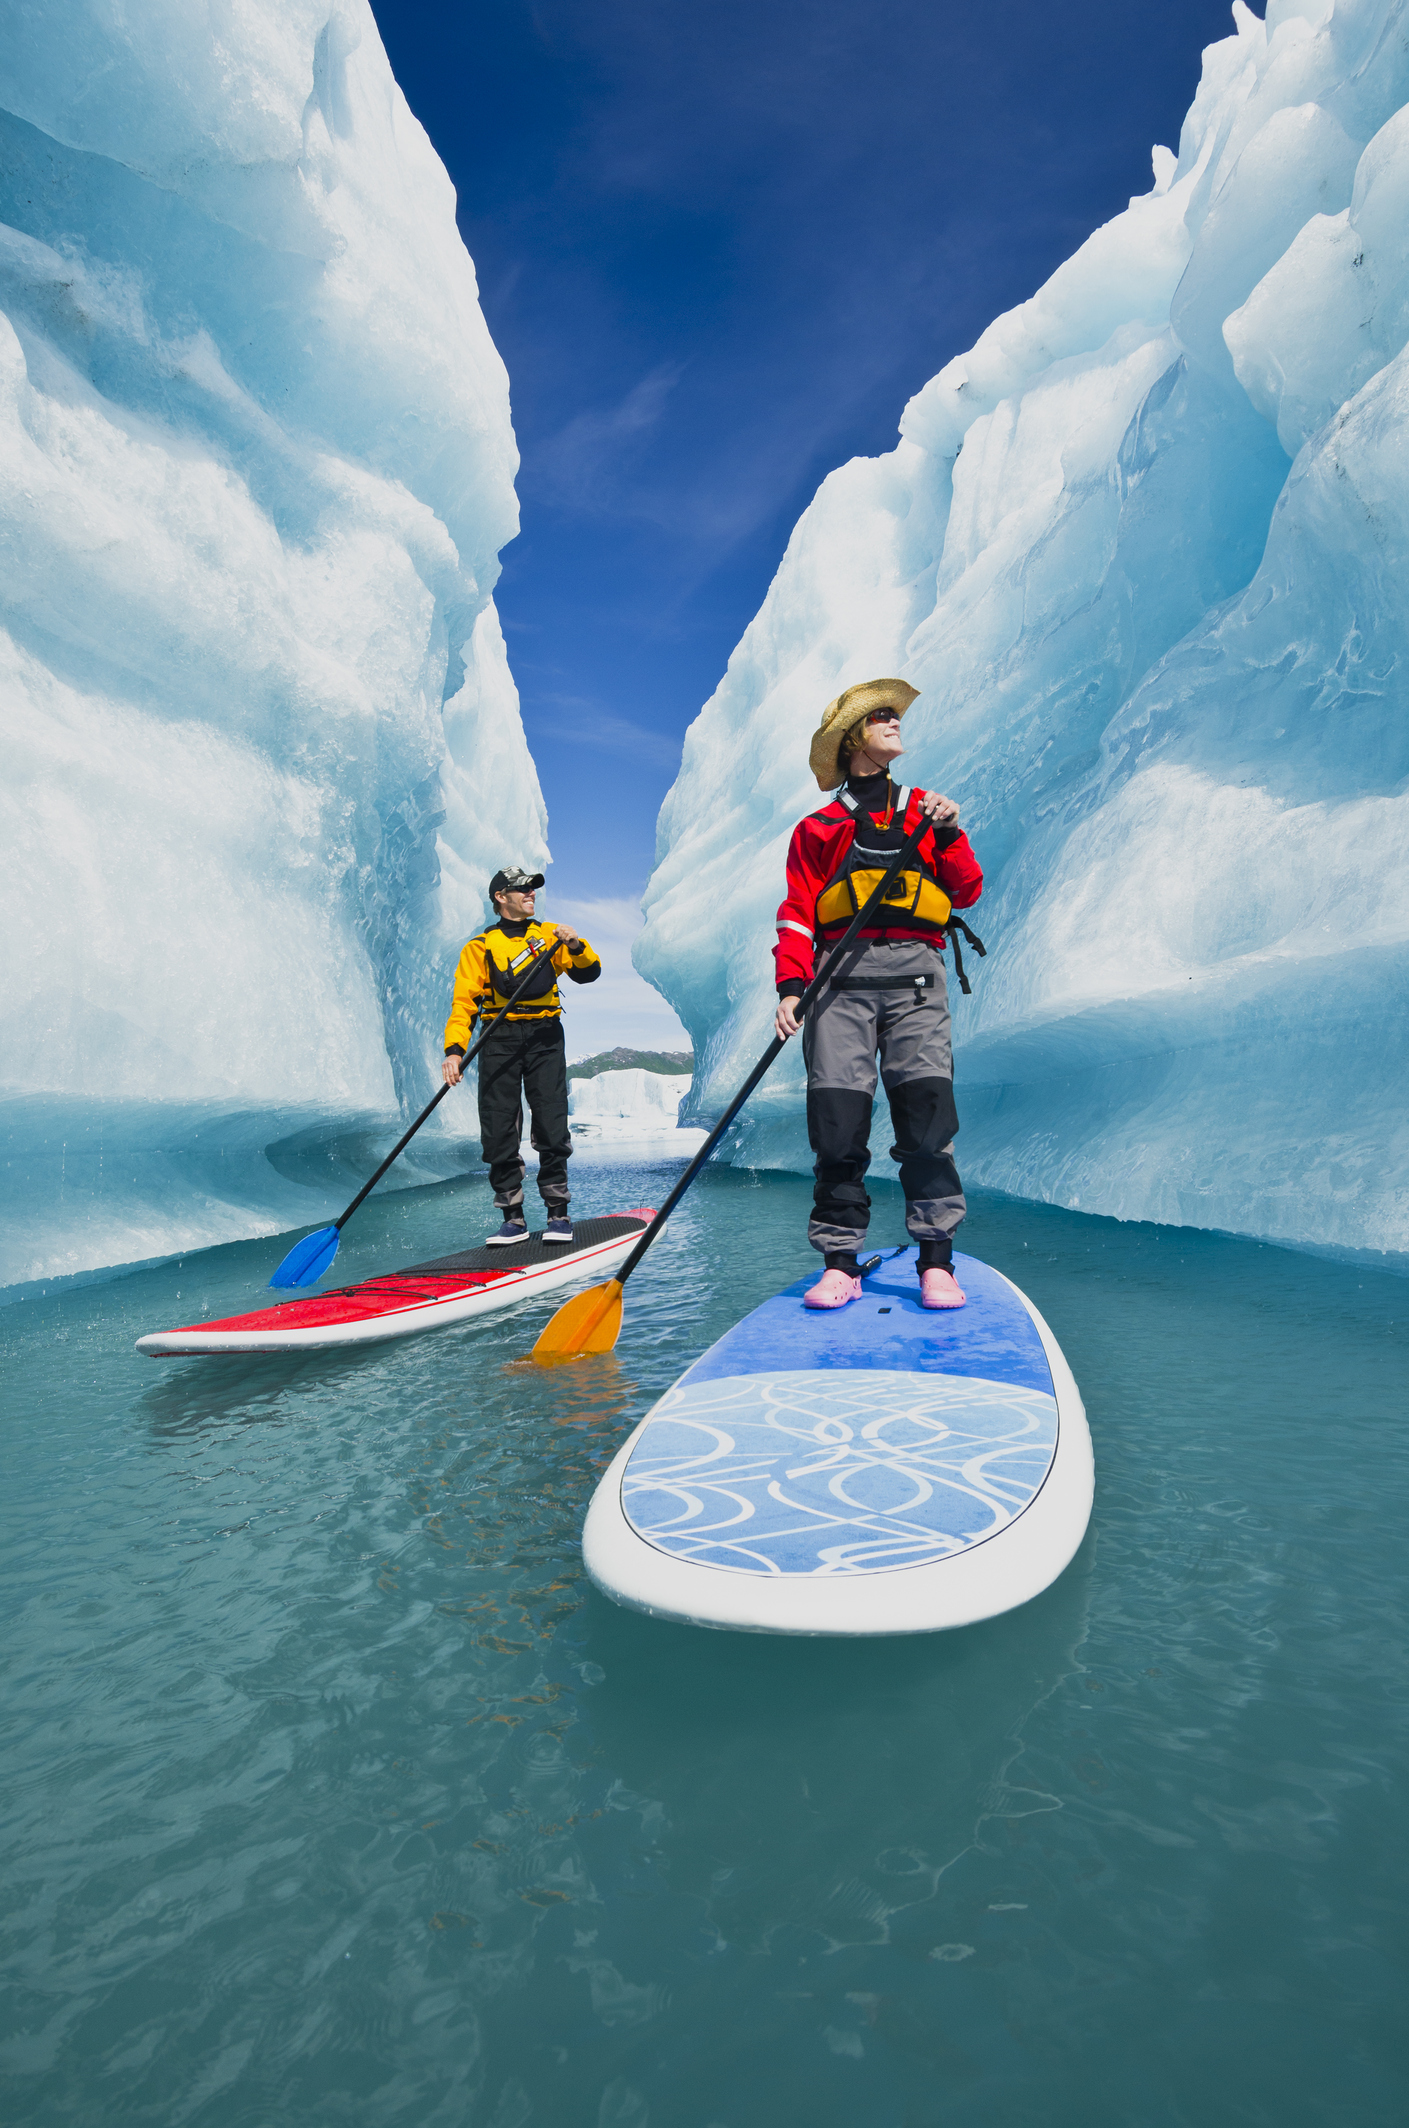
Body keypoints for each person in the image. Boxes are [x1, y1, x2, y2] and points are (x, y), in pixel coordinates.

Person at [773, 678, 983, 1311]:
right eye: (880, 717)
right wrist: (790, 986)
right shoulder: (819, 828)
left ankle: (936, 1261)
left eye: (894, 714)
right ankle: (841, 1261)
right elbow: (798, 912)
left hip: (917, 978)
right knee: (837, 1128)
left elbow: (966, 890)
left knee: (927, 1123)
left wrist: (948, 832)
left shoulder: (929, 811)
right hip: (837, 983)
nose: (895, 722)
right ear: (851, 740)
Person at [442, 867, 601, 1245]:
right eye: (522, 889)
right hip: (499, 1037)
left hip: (545, 1035)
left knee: (550, 1121)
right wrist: (454, 1051)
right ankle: (513, 1219)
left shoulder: (551, 936)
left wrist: (575, 945)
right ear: (501, 897)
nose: (531, 893)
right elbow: (463, 1004)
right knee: (498, 1127)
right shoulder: (480, 948)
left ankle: (558, 1213)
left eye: (533, 889)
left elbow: (589, 973)